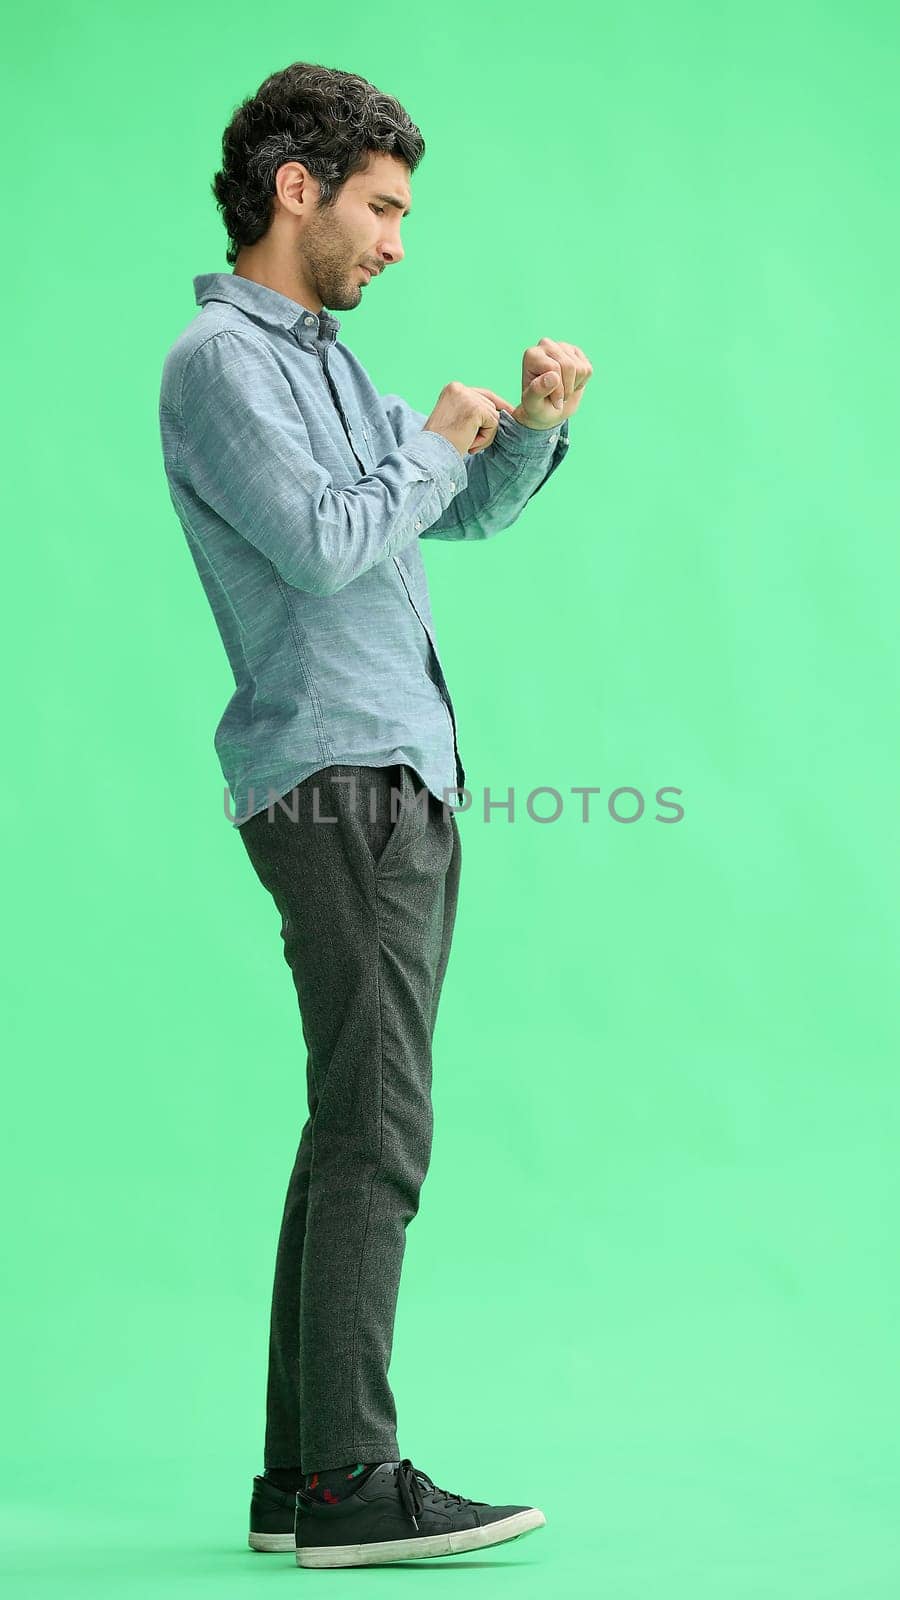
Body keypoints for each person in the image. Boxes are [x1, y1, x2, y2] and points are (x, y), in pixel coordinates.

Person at [158, 60, 591, 1569]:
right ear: (300, 190)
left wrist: (520, 431)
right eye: (382, 206)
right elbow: (333, 544)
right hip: (334, 777)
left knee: (353, 1116)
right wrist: (433, 444)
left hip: (390, 774)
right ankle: (353, 1481)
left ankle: (298, 1485)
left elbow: (447, 511)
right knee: (381, 1127)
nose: (398, 240)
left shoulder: (331, 362)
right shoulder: (222, 363)